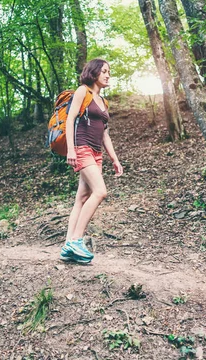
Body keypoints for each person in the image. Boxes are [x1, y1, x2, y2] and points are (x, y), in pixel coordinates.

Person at [60, 59, 123, 263]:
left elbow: (105, 134)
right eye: (104, 71)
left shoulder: (103, 102)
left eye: (109, 72)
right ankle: (76, 241)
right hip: (82, 148)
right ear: (94, 72)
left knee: (82, 197)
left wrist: (114, 159)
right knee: (100, 192)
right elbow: (70, 120)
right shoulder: (82, 92)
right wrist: (71, 149)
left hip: (96, 153)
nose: (107, 75)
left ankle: (68, 246)